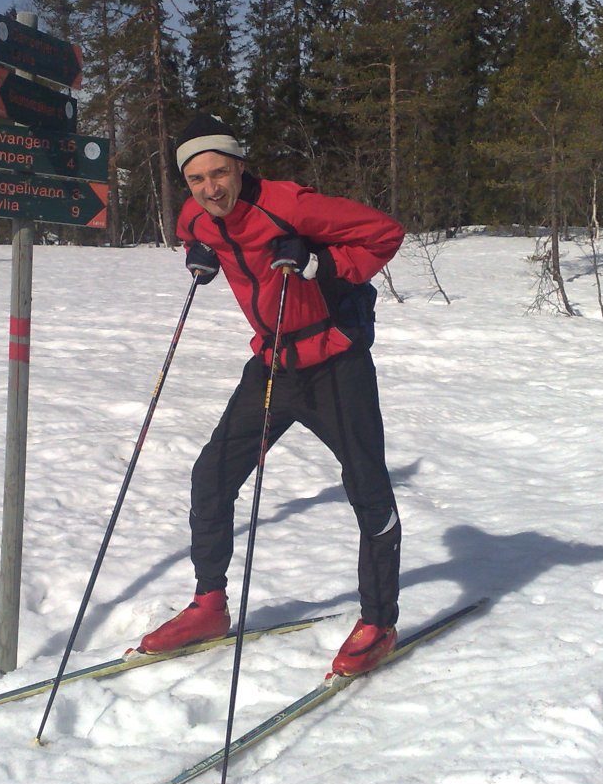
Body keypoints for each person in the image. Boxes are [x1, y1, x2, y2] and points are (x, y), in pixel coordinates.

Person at [139, 113, 406, 676]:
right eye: (197, 179)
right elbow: (195, 226)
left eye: (219, 173)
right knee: (211, 476)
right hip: (273, 365)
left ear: (239, 165)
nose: (210, 188)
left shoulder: (290, 204)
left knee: (368, 487)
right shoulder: (196, 213)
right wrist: (199, 252)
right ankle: (209, 605)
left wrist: (324, 263)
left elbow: (386, 233)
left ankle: (378, 620)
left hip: (335, 363)